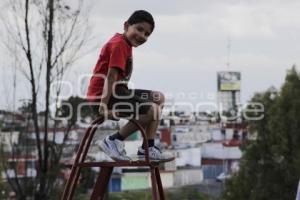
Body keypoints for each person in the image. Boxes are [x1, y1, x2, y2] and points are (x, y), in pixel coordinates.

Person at [86, 10, 173, 161]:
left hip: (118, 92)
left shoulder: (124, 43)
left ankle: (148, 148)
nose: (142, 36)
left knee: (159, 98)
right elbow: (111, 76)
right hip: (104, 97)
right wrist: (103, 107)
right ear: (126, 26)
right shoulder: (119, 45)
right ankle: (114, 140)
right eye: (139, 29)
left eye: (146, 34)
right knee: (153, 110)